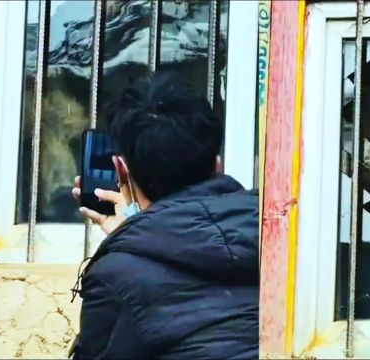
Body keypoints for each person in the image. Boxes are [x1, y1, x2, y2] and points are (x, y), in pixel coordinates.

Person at [70, 71, 258, 359]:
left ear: (120, 170)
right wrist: (136, 234)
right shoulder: (284, 242)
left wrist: (132, 241)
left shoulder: (115, 278)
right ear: (217, 165)